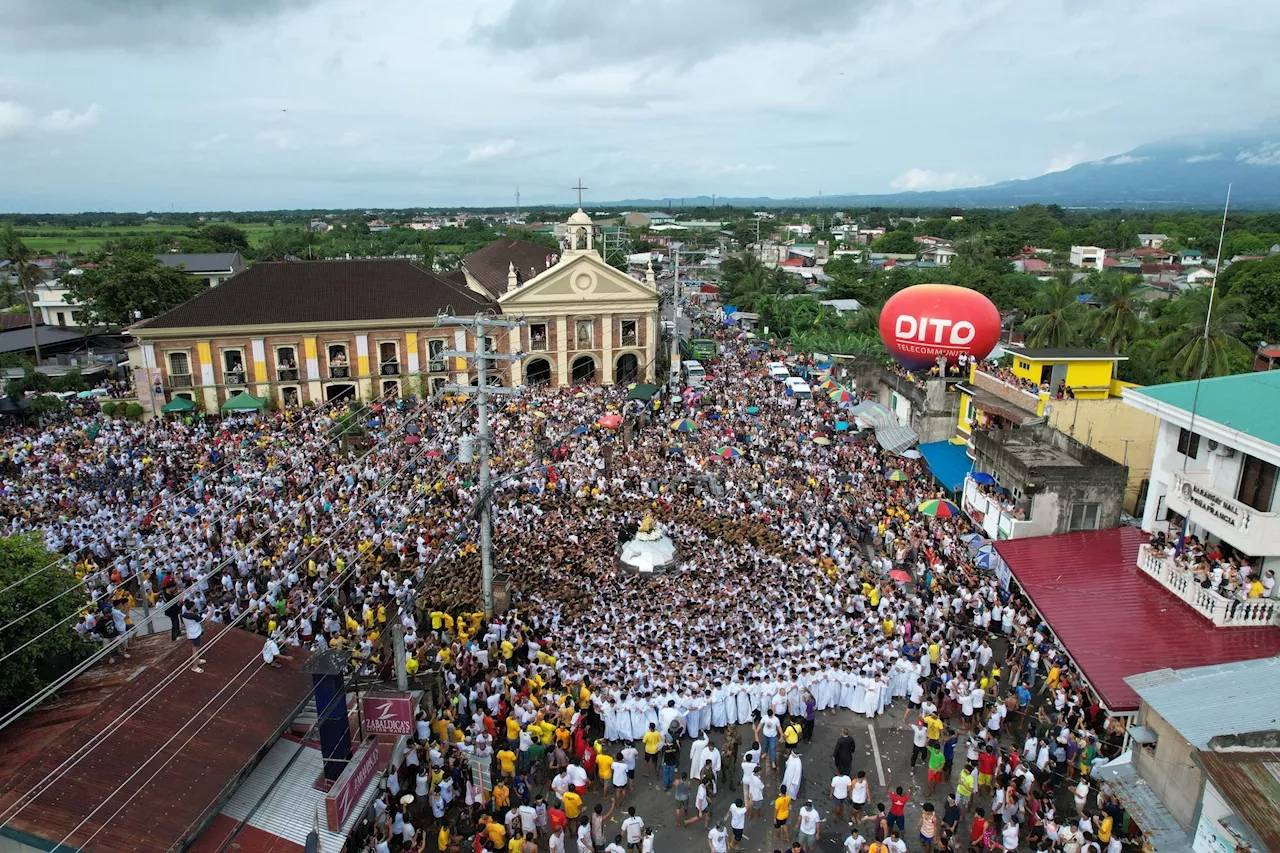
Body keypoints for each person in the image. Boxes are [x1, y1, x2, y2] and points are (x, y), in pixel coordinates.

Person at [182, 601, 206, 673]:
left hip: (191, 633)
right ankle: (194, 666)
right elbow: (204, 620)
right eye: (194, 605)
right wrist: (212, 611)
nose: (195, 606)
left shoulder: (184, 614)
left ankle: (197, 660)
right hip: (195, 633)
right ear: (192, 607)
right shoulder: (193, 616)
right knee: (195, 650)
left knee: (196, 648)